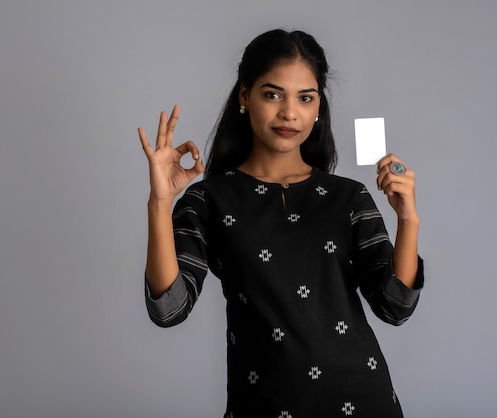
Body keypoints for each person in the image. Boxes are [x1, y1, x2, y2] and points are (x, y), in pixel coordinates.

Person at [138, 29, 424, 417]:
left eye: (305, 98)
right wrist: (160, 201)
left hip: (364, 401)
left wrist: (407, 218)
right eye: (273, 94)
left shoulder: (348, 197)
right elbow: (168, 308)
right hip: (263, 405)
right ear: (245, 96)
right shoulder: (209, 201)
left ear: (318, 106)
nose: (290, 113)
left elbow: (395, 306)